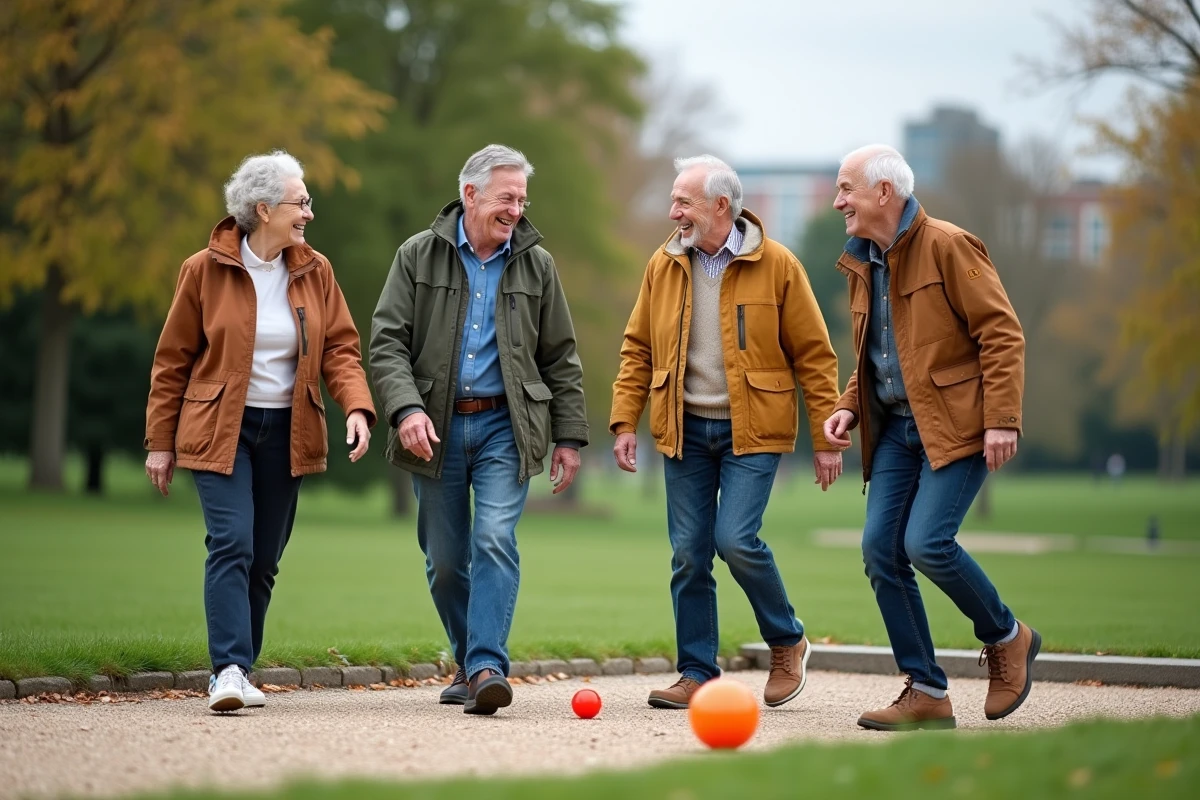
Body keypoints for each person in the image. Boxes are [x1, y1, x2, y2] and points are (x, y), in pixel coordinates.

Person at [144, 150, 376, 713]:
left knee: (265, 556)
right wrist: (159, 441)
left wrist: (356, 408)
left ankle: (241, 668)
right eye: (302, 203)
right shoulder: (203, 269)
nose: (309, 214)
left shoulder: (314, 271)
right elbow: (172, 358)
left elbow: (342, 347)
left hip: (290, 428)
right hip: (220, 427)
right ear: (264, 208)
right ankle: (225, 668)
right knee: (233, 543)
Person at [610, 155, 842, 710]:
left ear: (721, 205)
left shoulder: (778, 264)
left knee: (735, 539)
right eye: (674, 201)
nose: (674, 212)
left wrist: (828, 437)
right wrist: (624, 420)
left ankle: (787, 639)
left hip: (753, 429)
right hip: (683, 428)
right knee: (689, 554)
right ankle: (696, 671)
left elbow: (814, 355)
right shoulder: (663, 264)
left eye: (684, 202)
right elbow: (637, 346)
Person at [823, 144, 1039, 731]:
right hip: (894, 428)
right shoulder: (861, 260)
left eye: (847, 189)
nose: (838, 200)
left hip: (957, 424)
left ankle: (1008, 637)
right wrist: (849, 407)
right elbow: (877, 354)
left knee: (927, 543)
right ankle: (925, 690)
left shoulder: (949, 244)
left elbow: (1002, 334)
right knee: (879, 551)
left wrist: (1002, 417)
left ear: (883, 193)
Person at [370, 144, 588, 716]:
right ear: (470, 194)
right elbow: (387, 343)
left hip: (505, 427)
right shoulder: (417, 256)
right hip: (433, 428)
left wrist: (569, 437)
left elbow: (560, 356)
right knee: (444, 560)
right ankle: (471, 664)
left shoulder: (537, 265)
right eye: (506, 197)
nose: (517, 209)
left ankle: (487, 665)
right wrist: (406, 410)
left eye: (522, 198)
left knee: (494, 538)